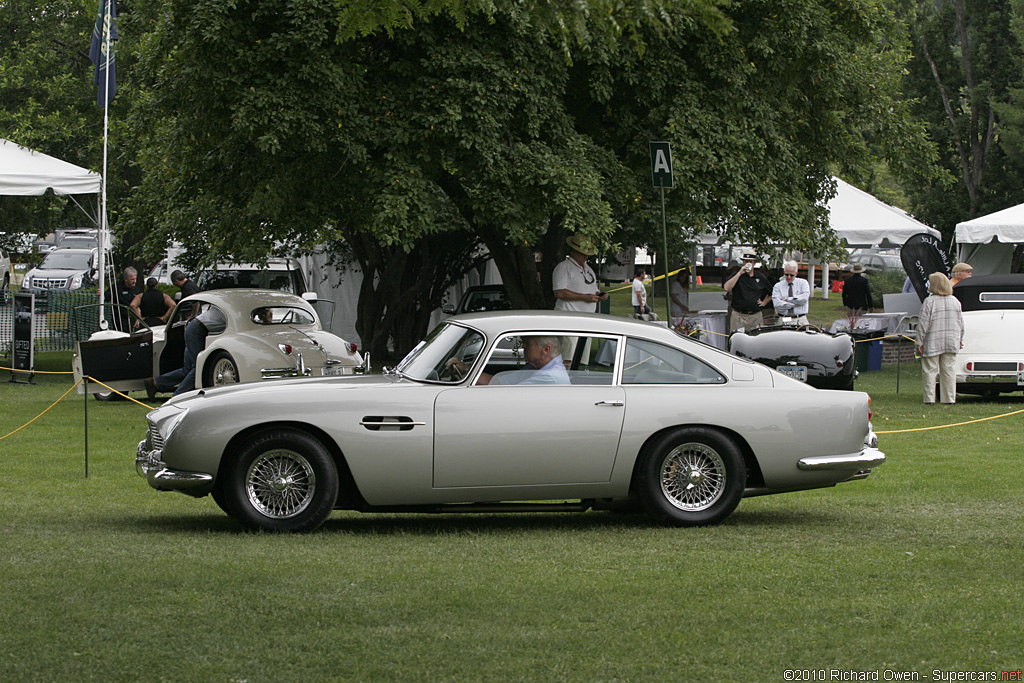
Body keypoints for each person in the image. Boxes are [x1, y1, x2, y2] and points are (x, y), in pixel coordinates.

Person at [145, 305, 227, 398]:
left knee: (188, 368)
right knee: (197, 368)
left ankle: (156, 383)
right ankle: (177, 396)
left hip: (194, 327)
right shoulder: (228, 307)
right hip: (198, 329)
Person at [916, 272, 964, 404]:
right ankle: (949, 399)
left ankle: (929, 399)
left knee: (930, 370)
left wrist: (919, 342)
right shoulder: (955, 301)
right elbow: (961, 323)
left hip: (932, 340)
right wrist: (960, 339)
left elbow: (923, 324)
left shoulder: (929, 302)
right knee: (949, 371)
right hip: (951, 340)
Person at [446, 336, 570, 386]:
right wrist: (467, 369)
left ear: (546, 349)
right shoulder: (535, 368)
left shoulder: (549, 376)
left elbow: (505, 396)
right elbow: (496, 383)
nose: (523, 347)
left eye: (528, 344)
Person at [552, 235, 609, 312]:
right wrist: (585, 297)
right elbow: (560, 293)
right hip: (568, 316)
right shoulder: (563, 267)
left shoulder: (588, 269)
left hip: (586, 317)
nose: (586, 256)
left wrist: (600, 295)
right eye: (583, 253)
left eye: (587, 253)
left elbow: (593, 290)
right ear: (574, 251)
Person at [724, 253, 772, 332]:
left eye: (750, 262)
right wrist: (739, 273)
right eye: (746, 261)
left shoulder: (760, 277)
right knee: (737, 339)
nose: (748, 264)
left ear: (754, 263)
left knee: (757, 339)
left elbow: (771, 292)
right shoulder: (737, 275)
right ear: (743, 262)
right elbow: (727, 288)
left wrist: (764, 302)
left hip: (755, 316)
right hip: (739, 315)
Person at [771, 260, 811, 325]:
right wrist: (796, 303)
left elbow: (804, 299)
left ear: (796, 274)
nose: (789, 277)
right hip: (784, 319)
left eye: (791, 275)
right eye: (786, 274)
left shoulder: (803, 283)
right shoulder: (778, 286)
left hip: (800, 319)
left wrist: (787, 300)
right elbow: (777, 305)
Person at [112, 267, 142, 331]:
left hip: (133, 318)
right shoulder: (116, 288)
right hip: (120, 319)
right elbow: (105, 297)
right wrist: (100, 294)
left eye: (135, 279)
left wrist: (138, 319)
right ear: (126, 279)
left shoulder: (136, 290)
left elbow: (138, 306)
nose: (135, 281)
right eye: (132, 279)